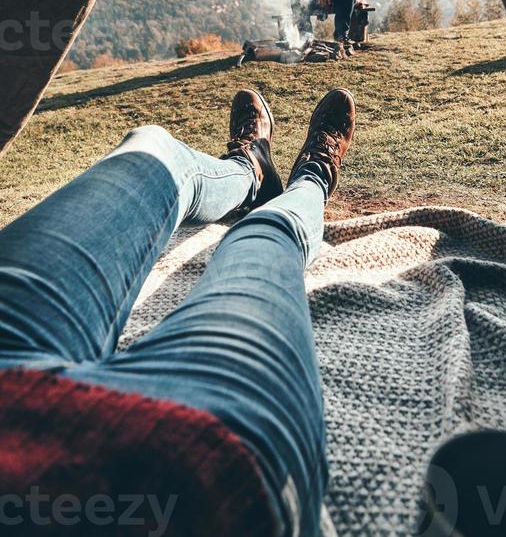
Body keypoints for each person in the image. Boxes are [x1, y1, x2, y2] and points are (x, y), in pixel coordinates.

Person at [0, 86, 356, 537]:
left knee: (151, 148)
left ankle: (248, 170)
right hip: (193, 460)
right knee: (266, 235)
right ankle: (315, 177)